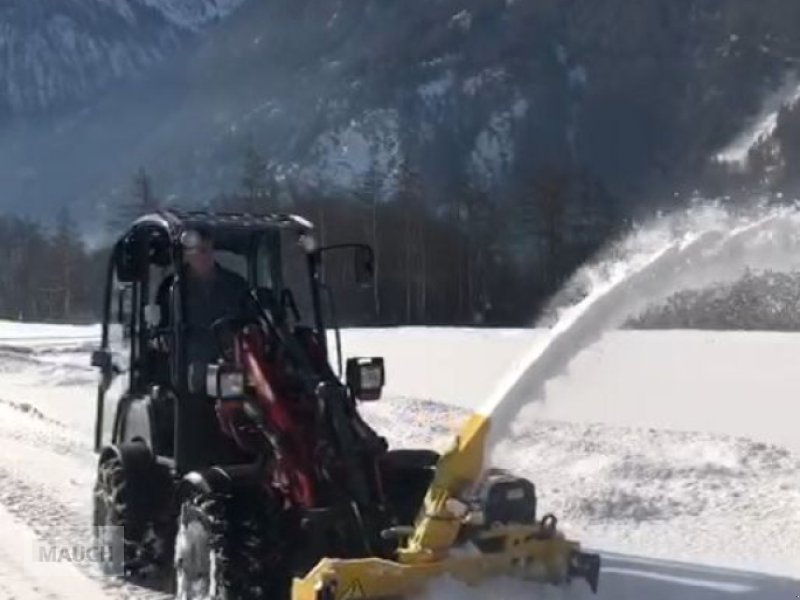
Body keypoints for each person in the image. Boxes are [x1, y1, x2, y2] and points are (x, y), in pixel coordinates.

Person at [158, 226, 253, 366]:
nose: (204, 256)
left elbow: (249, 324)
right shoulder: (170, 288)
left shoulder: (236, 284)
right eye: (197, 251)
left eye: (207, 250)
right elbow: (163, 329)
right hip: (183, 369)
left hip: (230, 366)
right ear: (185, 254)